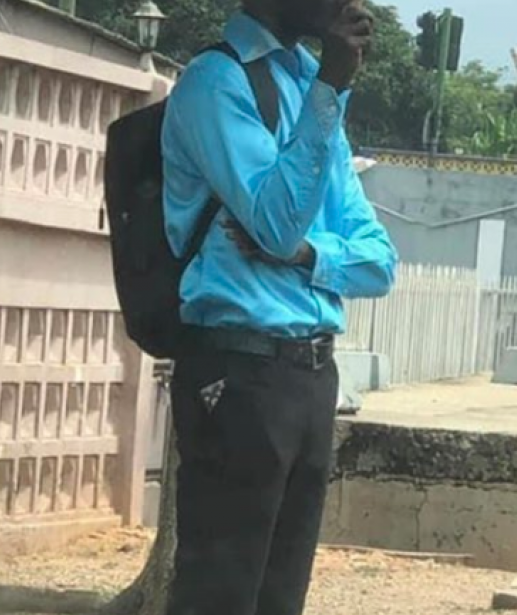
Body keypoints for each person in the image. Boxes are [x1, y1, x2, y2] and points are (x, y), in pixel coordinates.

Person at [160, 0, 397, 613]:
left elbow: (378, 260)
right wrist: (333, 85)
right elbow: (273, 219)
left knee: (279, 595)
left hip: (310, 377)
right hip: (237, 373)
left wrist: (306, 256)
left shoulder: (305, 82)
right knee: (221, 594)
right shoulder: (217, 82)